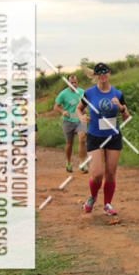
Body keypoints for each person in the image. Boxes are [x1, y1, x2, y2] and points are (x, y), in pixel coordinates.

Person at [75, 63, 129, 218]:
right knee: (97, 174)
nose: (102, 75)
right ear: (96, 76)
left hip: (113, 137)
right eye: (99, 73)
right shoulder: (89, 93)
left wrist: (121, 107)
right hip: (95, 136)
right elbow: (79, 108)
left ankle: (107, 204)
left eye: (105, 72)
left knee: (111, 173)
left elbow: (126, 117)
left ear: (109, 73)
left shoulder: (117, 94)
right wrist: (81, 117)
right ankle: (92, 198)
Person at [54, 73, 87, 173]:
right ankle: (68, 162)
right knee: (69, 143)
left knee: (82, 139)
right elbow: (56, 107)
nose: (74, 84)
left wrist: (84, 110)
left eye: (75, 82)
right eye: (72, 82)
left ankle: (82, 163)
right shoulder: (63, 94)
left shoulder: (82, 92)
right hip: (68, 121)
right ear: (68, 83)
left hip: (80, 119)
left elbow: (86, 104)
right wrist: (62, 111)